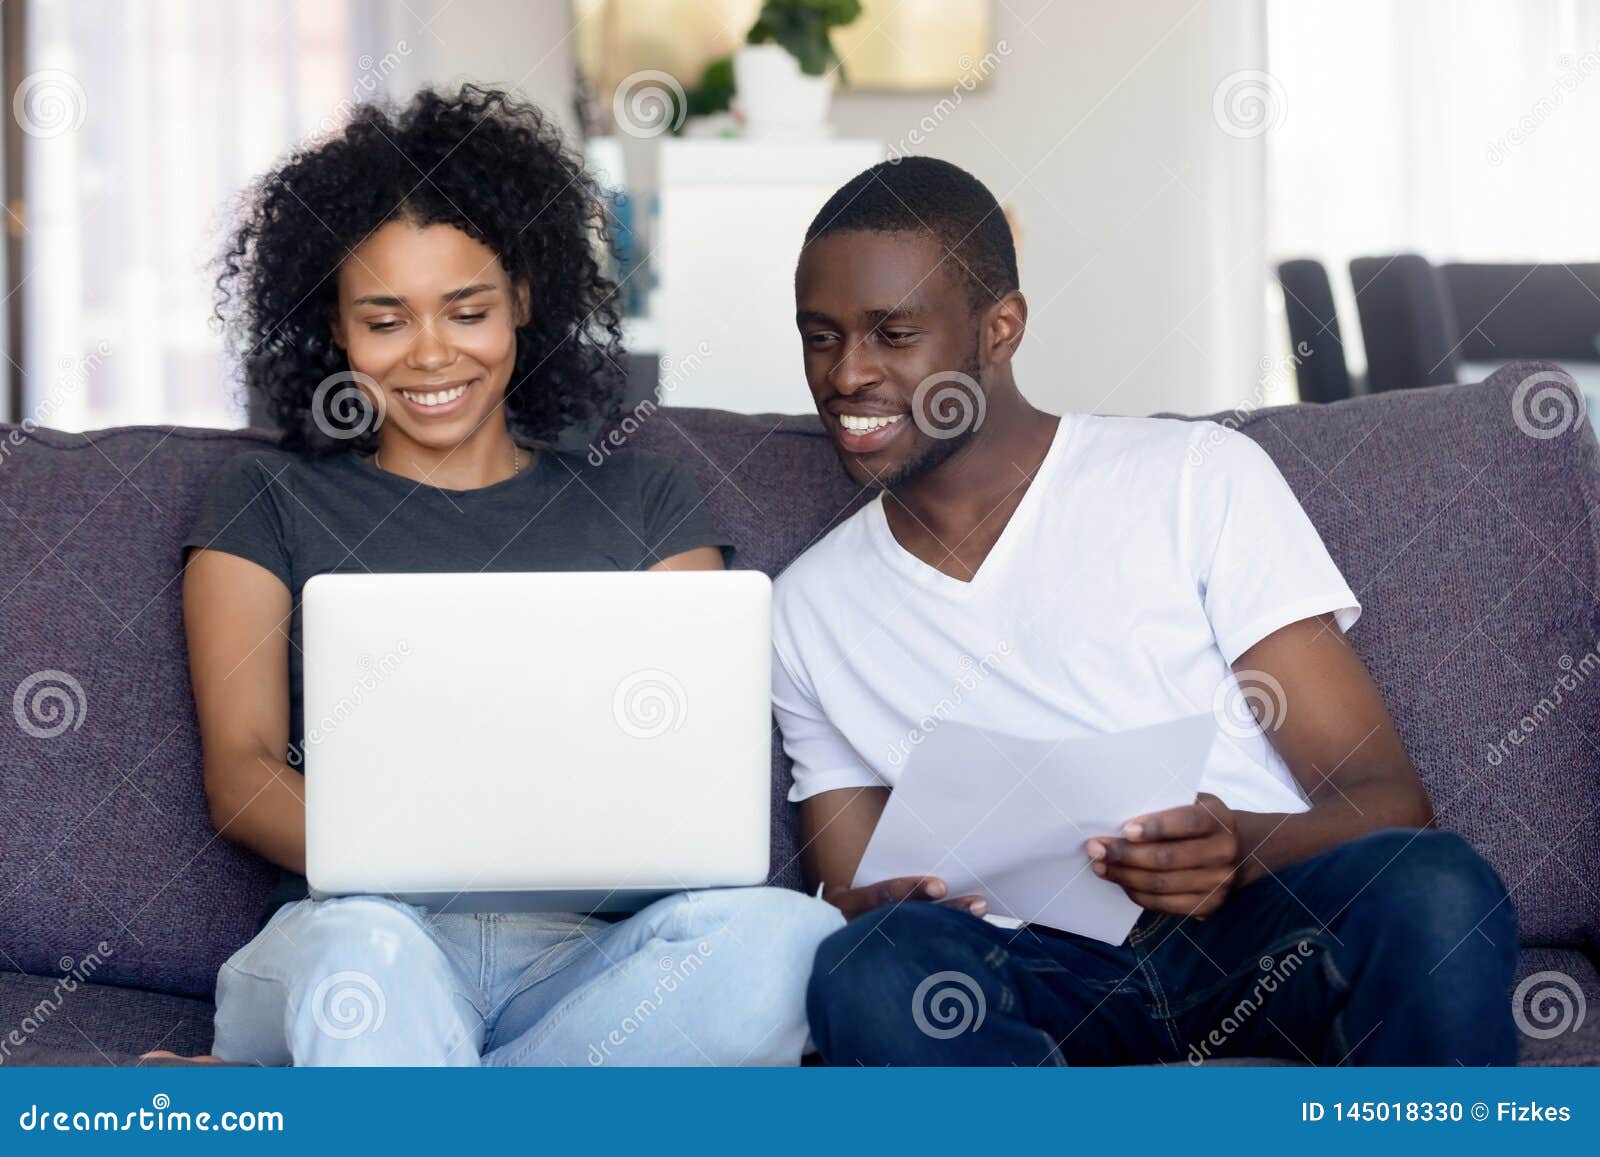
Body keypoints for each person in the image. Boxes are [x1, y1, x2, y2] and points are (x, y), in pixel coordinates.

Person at [775, 157, 1519, 1066]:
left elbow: (1391, 800)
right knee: (868, 965)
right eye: (821, 337)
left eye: (892, 334)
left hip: (1251, 937)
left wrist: (1237, 845)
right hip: (1033, 971)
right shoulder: (807, 608)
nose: (848, 374)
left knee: (1438, 885)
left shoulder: (1194, 477)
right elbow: (854, 892)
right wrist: (866, 907)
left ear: (998, 329)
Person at [178, 86, 840, 1067]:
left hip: (583, 960)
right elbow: (241, 775)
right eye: (385, 317)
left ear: (524, 299)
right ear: (336, 327)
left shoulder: (648, 505)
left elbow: (690, 785)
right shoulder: (263, 501)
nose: (431, 352)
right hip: (357, 929)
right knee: (371, 959)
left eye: (467, 308)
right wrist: (432, 864)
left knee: (793, 944)